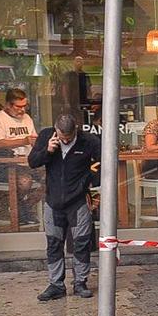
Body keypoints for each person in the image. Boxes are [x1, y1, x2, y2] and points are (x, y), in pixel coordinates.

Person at [28, 113, 101, 302]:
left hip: (78, 200)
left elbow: (103, 166)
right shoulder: (46, 136)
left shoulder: (89, 141)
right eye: (62, 137)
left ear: (76, 129)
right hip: (53, 200)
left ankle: (80, 282)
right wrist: (48, 150)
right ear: (56, 130)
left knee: (82, 243)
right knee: (53, 243)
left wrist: (93, 190)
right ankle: (56, 285)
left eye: (69, 137)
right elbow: (32, 161)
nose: (66, 140)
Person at [0, 87, 39, 225]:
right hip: (4, 166)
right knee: (24, 181)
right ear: (8, 105)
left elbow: (34, 139)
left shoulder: (27, 118)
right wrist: (24, 141)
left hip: (27, 162)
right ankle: (19, 212)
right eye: (18, 106)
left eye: (24, 106)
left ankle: (24, 207)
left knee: (52, 178)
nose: (22, 110)